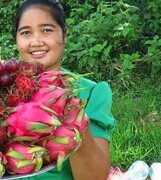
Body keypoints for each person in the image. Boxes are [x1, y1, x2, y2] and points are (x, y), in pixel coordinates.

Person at [13, 0, 116, 179]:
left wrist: (76, 122)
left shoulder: (91, 93)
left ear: (64, 35)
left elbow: (93, 177)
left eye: (47, 30)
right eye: (26, 32)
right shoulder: (0, 90)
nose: (36, 41)